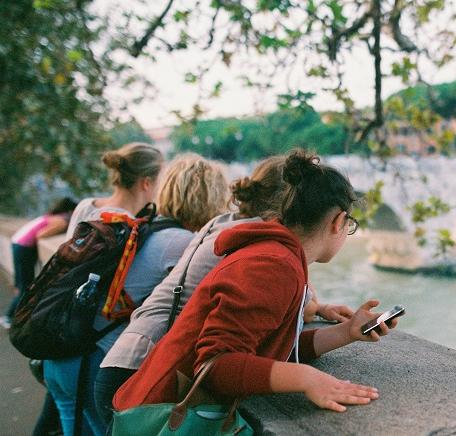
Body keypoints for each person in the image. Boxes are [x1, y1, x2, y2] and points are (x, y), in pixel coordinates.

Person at [113, 149, 399, 416]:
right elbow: (216, 365)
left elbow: (273, 346)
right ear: (338, 221)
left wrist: (346, 332)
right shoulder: (273, 264)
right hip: (161, 416)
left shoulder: (277, 255)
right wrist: (307, 378)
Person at [44, 142, 164, 436]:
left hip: (57, 344)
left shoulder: (86, 207)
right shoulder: (139, 228)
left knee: (71, 425)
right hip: (92, 355)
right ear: (147, 182)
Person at [2, 197, 77, 328]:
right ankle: (9, 317)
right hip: (24, 248)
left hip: (18, 243)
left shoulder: (52, 216)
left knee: (21, 283)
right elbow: (40, 235)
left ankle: (13, 316)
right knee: (25, 286)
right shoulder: (63, 220)